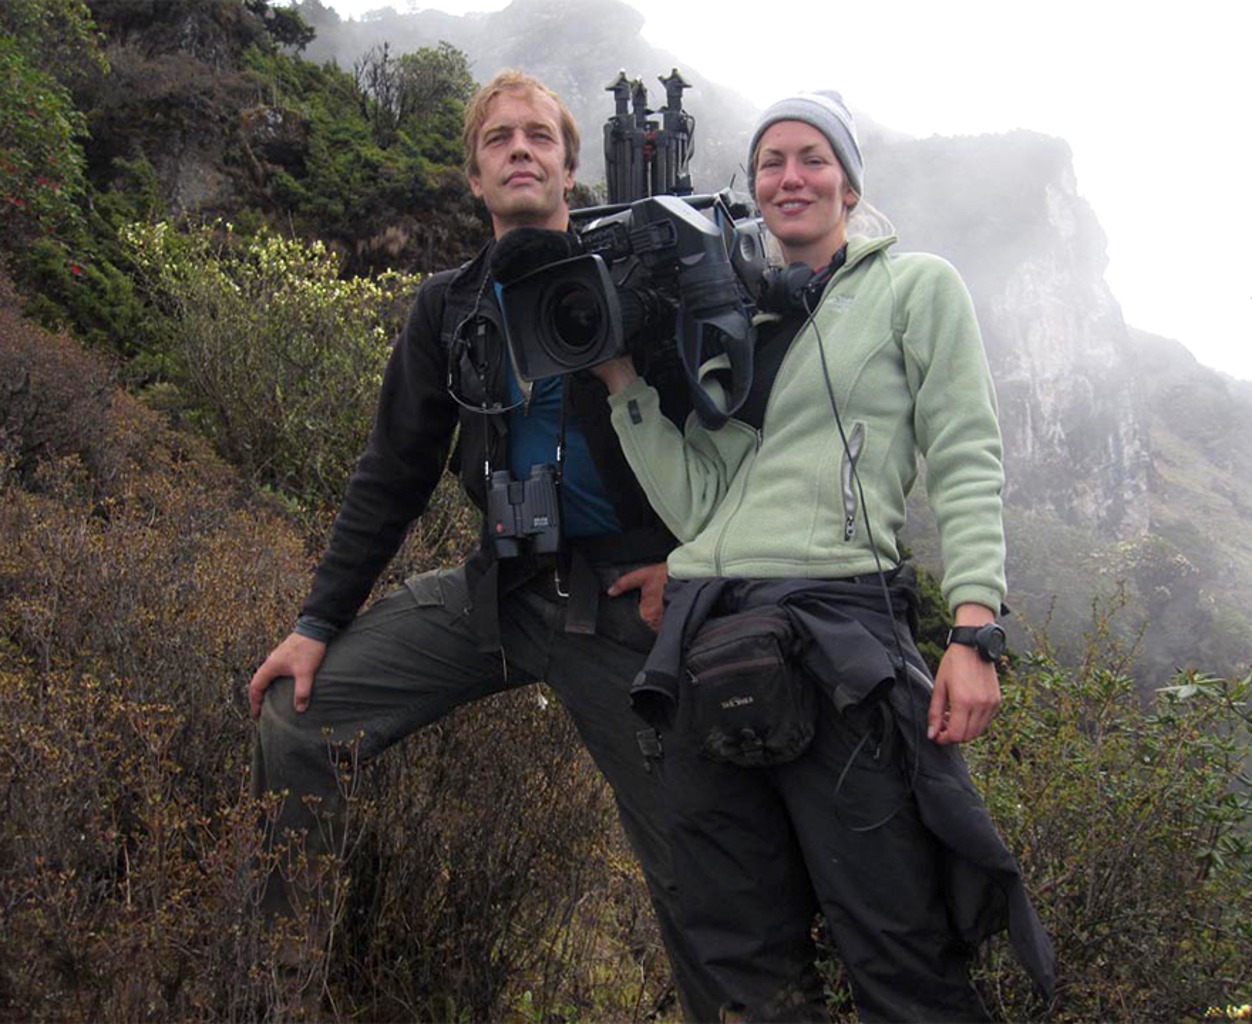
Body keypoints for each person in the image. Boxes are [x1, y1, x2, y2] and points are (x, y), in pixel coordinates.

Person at [247, 68, 721, 1021]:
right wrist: (315, 621)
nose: (519, 150)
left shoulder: (638, 280)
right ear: (473, 174)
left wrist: (698, 560)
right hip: (496, 592)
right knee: (298, 719)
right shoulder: (448, 307)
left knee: (703, 877)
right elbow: (394, 471)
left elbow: (737, 433)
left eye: (539, 137)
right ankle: (276, 988)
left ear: (570, 167)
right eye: (499, 138)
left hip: (624, 604)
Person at [592, 90, 1056, 1021]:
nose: (790, 176)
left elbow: (965, 453)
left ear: (849, 181)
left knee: (892, 938)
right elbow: (702, 502)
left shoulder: (917, 288)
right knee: (741, 949)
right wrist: (622, 382)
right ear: (754, 187)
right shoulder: (745, 329)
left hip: (839, 637)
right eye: (771, 162)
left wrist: (975, 628)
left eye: (811, 157)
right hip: (711, 640)